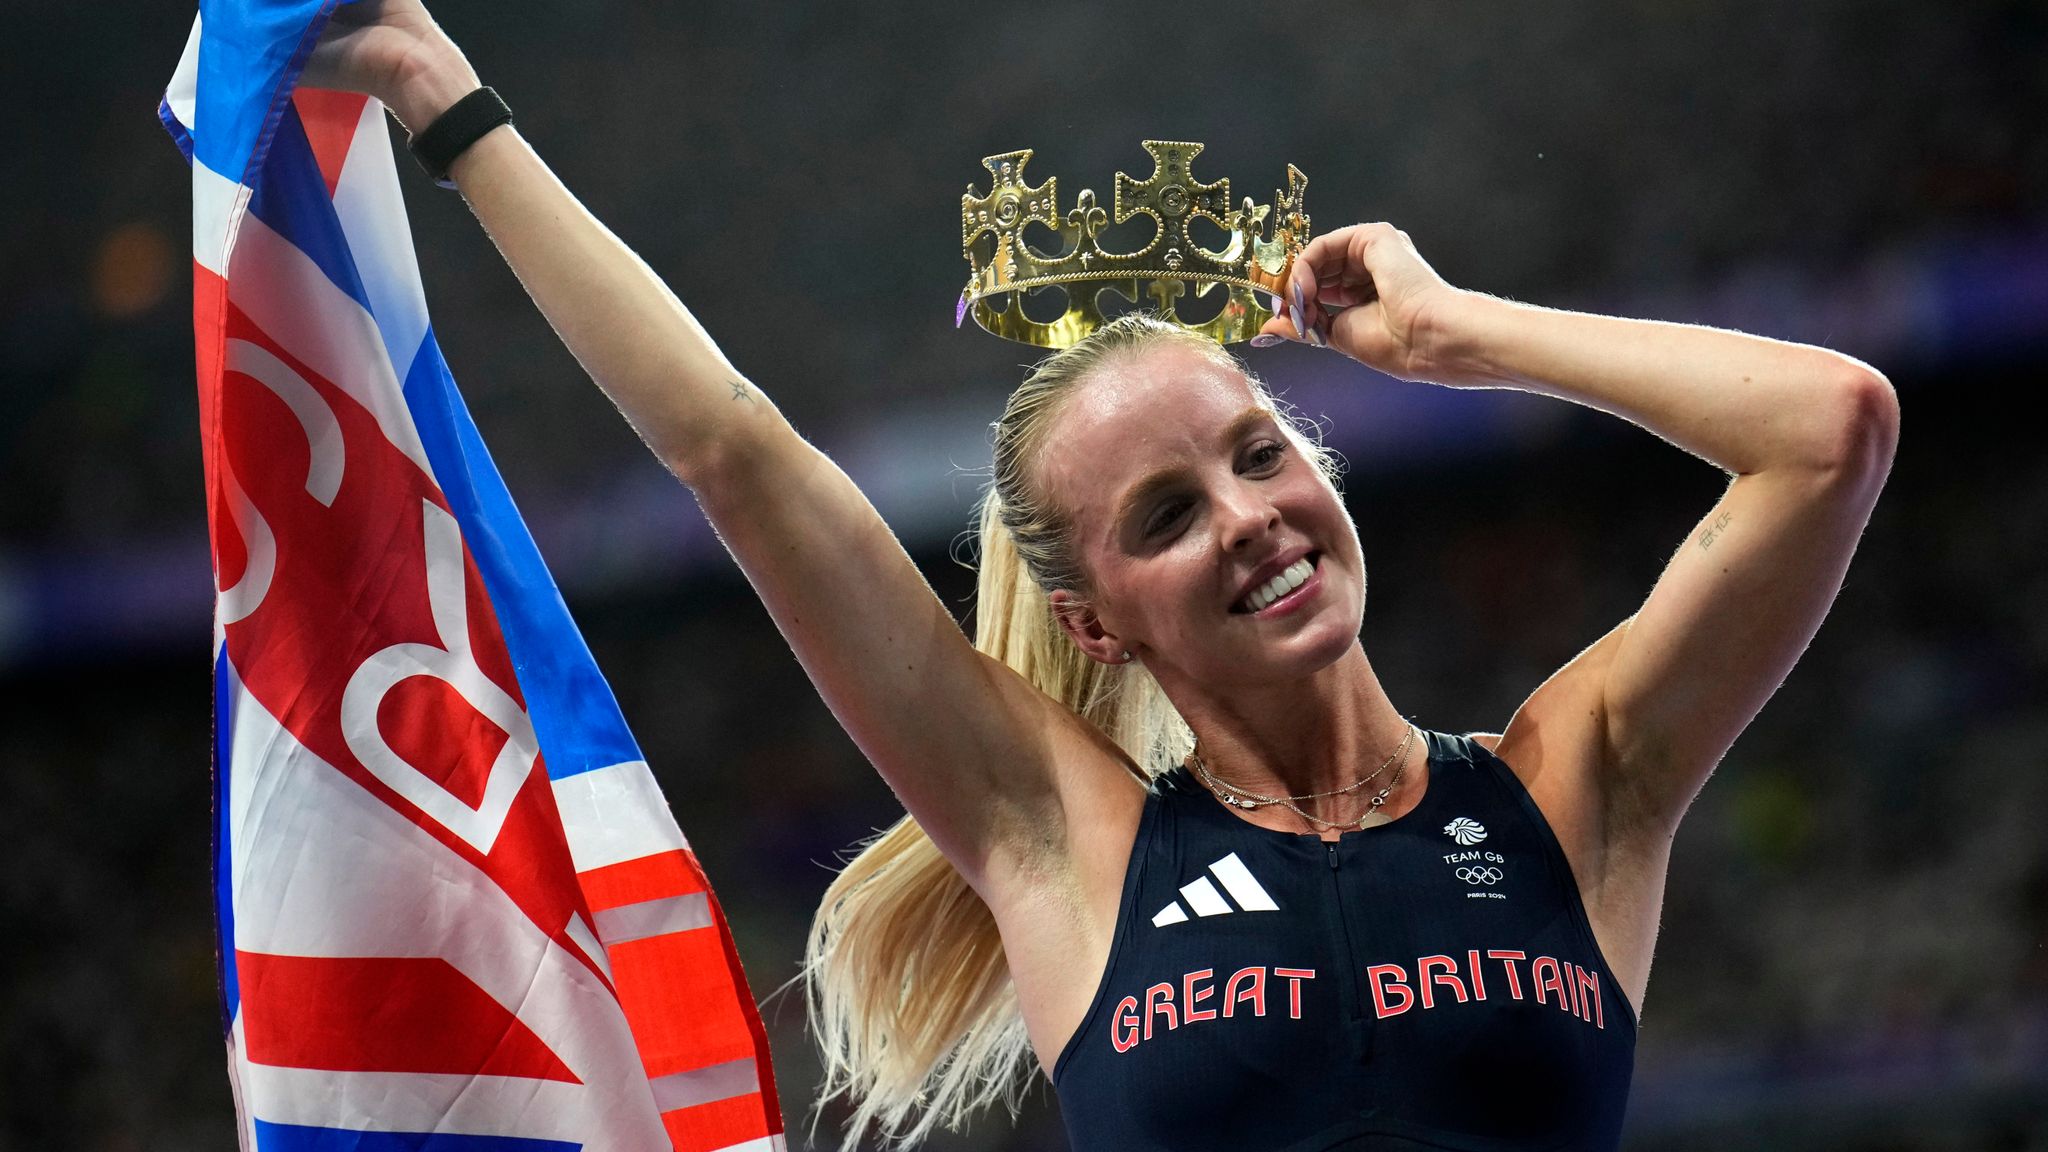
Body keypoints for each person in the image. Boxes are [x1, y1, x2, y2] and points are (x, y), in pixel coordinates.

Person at [306, 5, 1900, 1148]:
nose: (1250, 517)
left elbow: (1831, 429)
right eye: (1165, 515)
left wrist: (1457, 337)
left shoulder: (1578, 787)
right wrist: (444, 97)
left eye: (1260, 456)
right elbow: (740, 456)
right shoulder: (1062, 844)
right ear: (1092, 624)